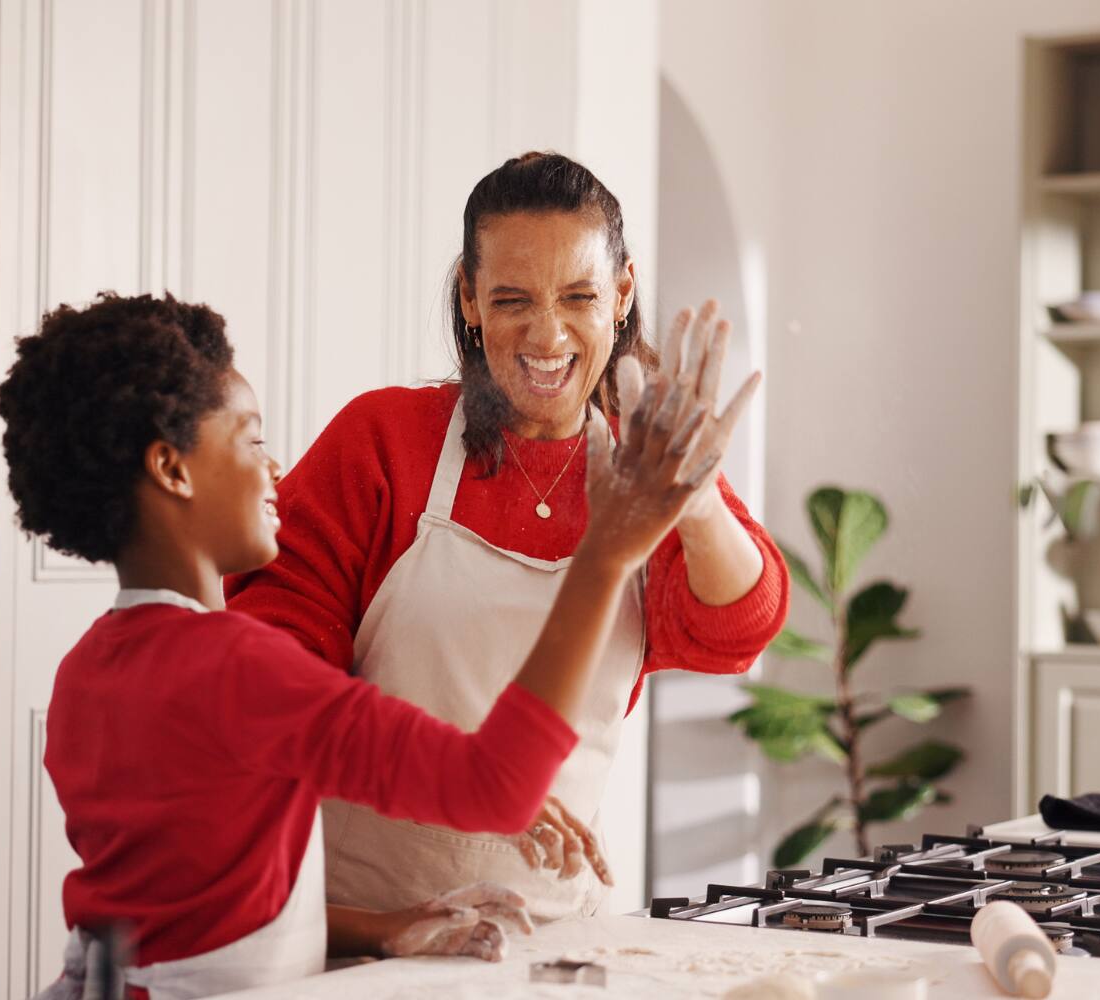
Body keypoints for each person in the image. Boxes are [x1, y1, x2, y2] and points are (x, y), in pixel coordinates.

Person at [0, 292, 719, 998]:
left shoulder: (88, 669)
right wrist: (606, 555)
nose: (274, 469)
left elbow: (197, 922)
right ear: (172, 469)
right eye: (249, 438)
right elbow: (495, 784)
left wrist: (386, 928)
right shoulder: (236, 665)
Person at [227, 152, 789, 923]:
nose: (547, 333)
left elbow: (739, 631)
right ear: (469, 297)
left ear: (622, 295)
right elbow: (276, 678)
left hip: (549, 926)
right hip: (363, 922)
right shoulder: (383, 441)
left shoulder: (644, 459)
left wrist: (694, 503)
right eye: (513, 298)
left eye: (580, 296)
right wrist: (475, 780)